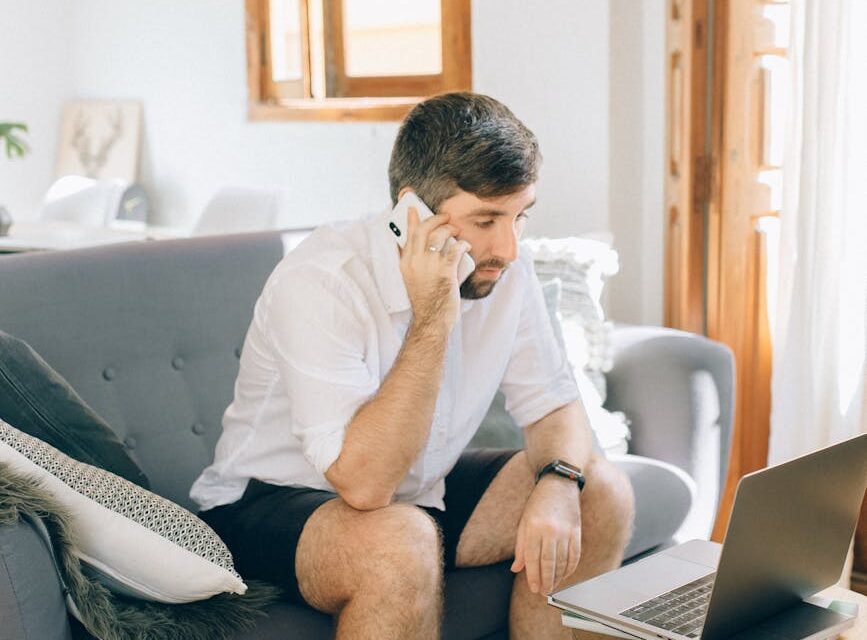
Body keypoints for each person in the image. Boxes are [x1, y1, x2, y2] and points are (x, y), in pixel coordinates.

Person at [191, 92, 635, 639]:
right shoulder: (321, 282)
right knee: (400, 541)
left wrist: (560, 484)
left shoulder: (504, 272)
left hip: (418, 497)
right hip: (267, 505)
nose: (510, 248)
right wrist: (433, 318)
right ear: (412, 214)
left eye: (520, 217)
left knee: (602, 493)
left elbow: (554, 406)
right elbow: (366, 486)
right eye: (487, 219)